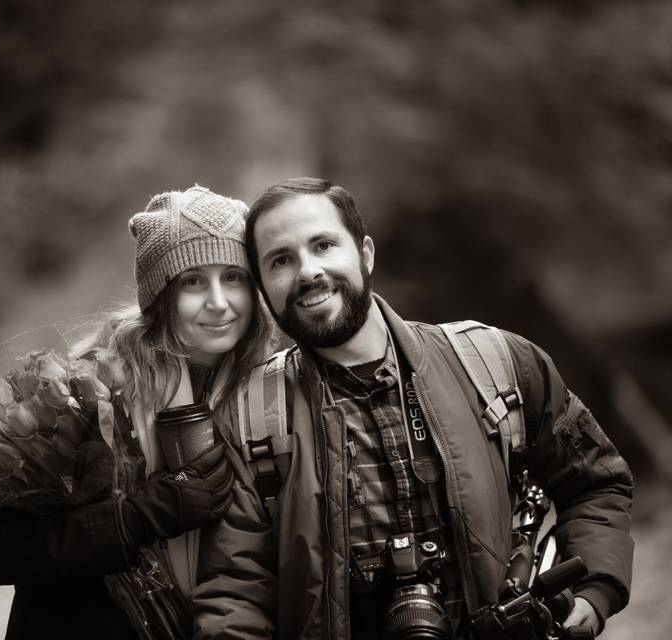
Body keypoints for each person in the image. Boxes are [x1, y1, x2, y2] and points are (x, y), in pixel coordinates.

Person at [221, 177, 634, 639]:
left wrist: (594, 590)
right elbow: (236, 589)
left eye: (323, 245)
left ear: (365, 253)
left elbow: (596, 482)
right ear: (263, 288)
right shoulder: (250, 419)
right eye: (281, 260)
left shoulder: (496, 364)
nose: (308, 271)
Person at [0, 186, 277, 639]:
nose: (219, 302)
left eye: (233, 277)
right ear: (159, 294)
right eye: (192, 281)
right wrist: (139, 516)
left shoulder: (274, 390)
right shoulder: (79, 388)